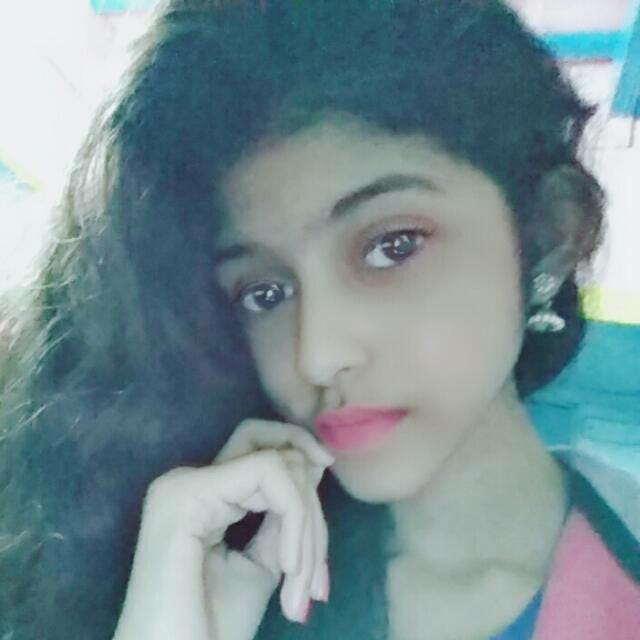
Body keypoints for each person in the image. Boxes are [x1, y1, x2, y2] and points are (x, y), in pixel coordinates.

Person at [0, 1, 638, 638]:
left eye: (392, 247)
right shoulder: (214, 582)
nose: (317, 355)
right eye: (264, 293)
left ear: (552, 230)